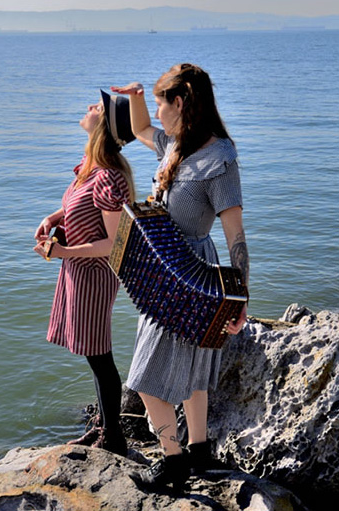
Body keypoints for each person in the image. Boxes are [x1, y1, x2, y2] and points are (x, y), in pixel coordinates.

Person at [112, 63, 249, 489]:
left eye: (159, 102)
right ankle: (200, 452)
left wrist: (239, 299)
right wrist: (134, 97)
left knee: (144, 379)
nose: (155, 111)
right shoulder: (174, 143)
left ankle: (173, 462)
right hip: (160, 274)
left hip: (192, 277)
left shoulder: (220, 160)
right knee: (190, 372)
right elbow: (139, 130)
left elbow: (236, 235)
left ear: (181, 103)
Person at [34, 90, 136, 457]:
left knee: (100, 356)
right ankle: (103, 427)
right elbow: (76, 208)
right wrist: (53, 218)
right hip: (77, 270)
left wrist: (60, 250)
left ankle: (115, 437)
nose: (91, 107)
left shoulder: (109, 177)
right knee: (94, 354)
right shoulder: (90, 167)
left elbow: (113, 243)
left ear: (105, 127)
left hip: (94, 273)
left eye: (98, 107)